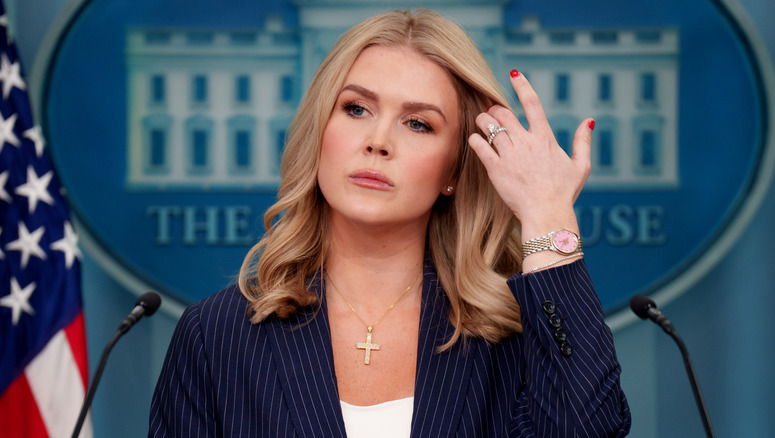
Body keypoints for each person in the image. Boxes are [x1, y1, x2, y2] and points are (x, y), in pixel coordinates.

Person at [149, 8, 631, 437]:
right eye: (356, 109)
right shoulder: (214, 335)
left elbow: (589, 427)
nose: (378, 141)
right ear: (321, 130)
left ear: (455, 171)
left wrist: (547, 214)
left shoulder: (514, 334)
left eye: (418, 123)